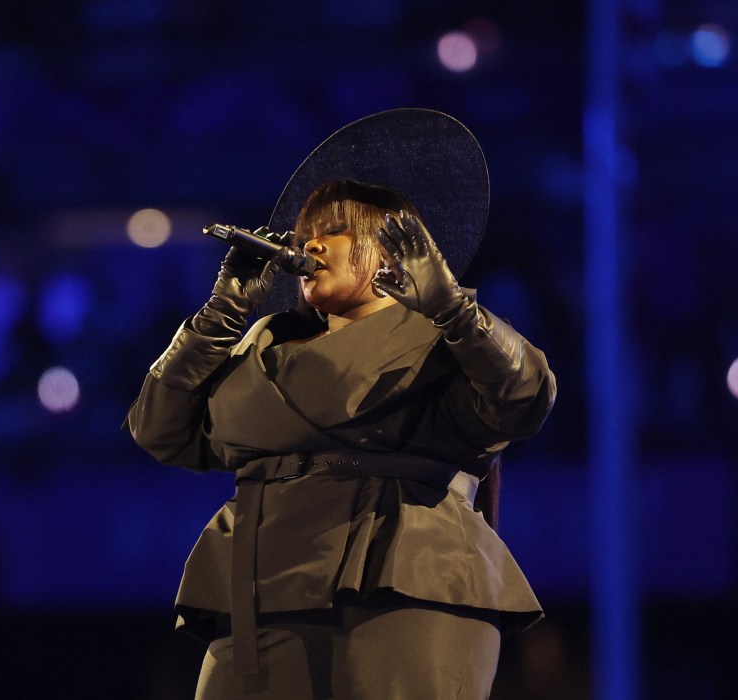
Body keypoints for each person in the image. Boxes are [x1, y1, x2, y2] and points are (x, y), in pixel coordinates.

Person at [125, 109, 556, 699]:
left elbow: (525, 396)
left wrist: (452, 307)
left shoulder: (443, 336)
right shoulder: (262, 343)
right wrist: (220, 314)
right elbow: (159, 429)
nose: (310, 244)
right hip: (259, 591)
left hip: (401, 585)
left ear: (389, 252)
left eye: (337, 230)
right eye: (305, 233)